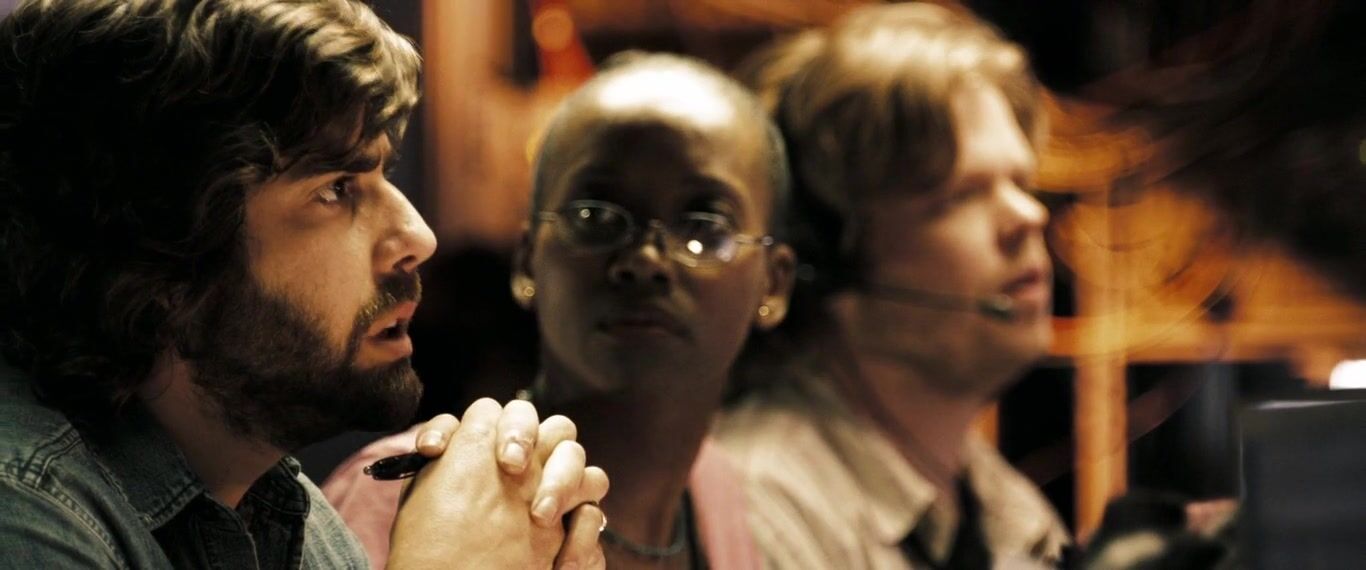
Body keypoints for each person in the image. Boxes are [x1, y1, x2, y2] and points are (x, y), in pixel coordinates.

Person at [0, 1, 606, 568]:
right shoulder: (22, 510)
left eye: (384, 174)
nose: (418, 236)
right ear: (159, 254)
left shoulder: (271, 498)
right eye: (337, 189)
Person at [322, 52, 796, 570]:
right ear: (528, 260)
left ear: (773, 283)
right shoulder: (410, 495)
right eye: (594, 216)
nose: (644, 260)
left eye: (704, 228)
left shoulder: (723, 493)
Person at [716, 4, 1071, 568]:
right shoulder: (759, 510)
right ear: (824, 255)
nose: (1029, 216)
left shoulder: (1006, 507)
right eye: (962, 195)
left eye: (1021, 182)